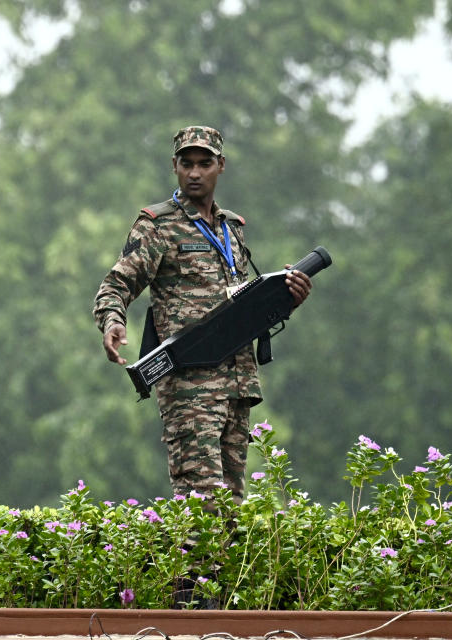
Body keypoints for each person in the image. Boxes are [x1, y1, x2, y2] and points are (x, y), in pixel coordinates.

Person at [93, 125, 312, 505]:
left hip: (237, 383)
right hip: (189, 387)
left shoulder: (232, 229)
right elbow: (116, 285)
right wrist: (113, 321)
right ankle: (192, 569)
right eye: (186, 163)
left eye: (204, 163)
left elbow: (241, 304)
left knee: (230, 506)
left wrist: (286, 298)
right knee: (201, 504)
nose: (195, 173)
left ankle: (213, 569)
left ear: (220, 166)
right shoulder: (158, 225)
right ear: (174, 166)